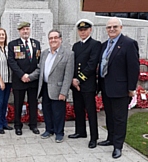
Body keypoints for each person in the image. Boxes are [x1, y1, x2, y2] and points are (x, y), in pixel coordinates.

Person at [98, 17, 139, 158]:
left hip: (121, 89)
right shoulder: (104, 45)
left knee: (120, 118)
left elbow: (133, 68)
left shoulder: (128, 44)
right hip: (106, 87)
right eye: (109, 27)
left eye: (115, 26)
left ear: (121, 28)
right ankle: (110, 138)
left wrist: (131, 88)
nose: (112, 29)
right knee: (109, 115)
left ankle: (118, 146)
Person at [29, 29, 74, 143]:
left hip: (58, 89)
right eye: (50, 38)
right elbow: (40, 69)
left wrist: (64, 92)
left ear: (60, 39)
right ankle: (49, 130)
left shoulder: (68, 54)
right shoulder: (44, 53)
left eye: (55, 37)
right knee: (47, 110)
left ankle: (59, 133)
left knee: (58, 112)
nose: (53, 40)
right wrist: (29, 76)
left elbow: (68, 75)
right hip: (45, 87)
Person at [68, 19, 101, 149]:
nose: (82, 32)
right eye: (80, 30)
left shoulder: (95, 44)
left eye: (85, 30)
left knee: (91, 111)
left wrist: (79, 79)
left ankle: (94, 137)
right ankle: (80, 131)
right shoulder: (76, 46)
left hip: (87, 84)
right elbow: (73, 64)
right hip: (76, 84)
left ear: (90, 30)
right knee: (78, 108)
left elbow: (92, 65)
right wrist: (73, 80)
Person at [8, 21, 41, 136]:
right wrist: (22, 75)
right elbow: (12, 62)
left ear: (30, 30)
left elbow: (38, 61)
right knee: (18, 103)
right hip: (19, 80)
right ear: (19, 31)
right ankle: (18, 125)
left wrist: (31, 76)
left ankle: (33, 125)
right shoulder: (13, 44)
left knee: (33, 103)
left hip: (33, 80)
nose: (25, 31)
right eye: (23, 29)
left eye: (27, 29)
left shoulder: (36, 44)